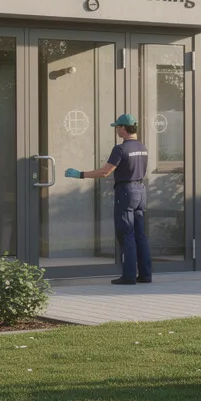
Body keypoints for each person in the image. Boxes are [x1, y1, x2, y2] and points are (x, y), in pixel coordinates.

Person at [64, 113, 153, 285]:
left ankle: (128, 276)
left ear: (124, 128)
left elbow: (105, 172)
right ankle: (145, 275)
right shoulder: (143, 147)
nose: (116, 131)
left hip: (126, 191)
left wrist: (80, 174)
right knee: (140, 235)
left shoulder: (120, 149)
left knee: (126, 234)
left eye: (117, 128)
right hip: (141, 190)